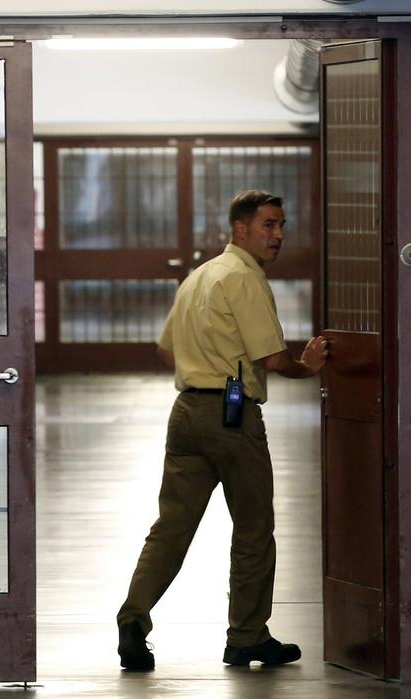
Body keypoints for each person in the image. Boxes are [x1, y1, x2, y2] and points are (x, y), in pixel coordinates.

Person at [116, 189, 329, 671]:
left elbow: (167, 351)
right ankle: (247, 636)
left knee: (170, 528)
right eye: (268, 225)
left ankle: (133, 618)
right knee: (254, 529)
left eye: (281, 225)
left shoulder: (199, 276)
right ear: (241, 230)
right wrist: (309, 366)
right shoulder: (244, 279)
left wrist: (205, 362)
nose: (278, 235)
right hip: (233, 417)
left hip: (187, 411)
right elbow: (273, 359)